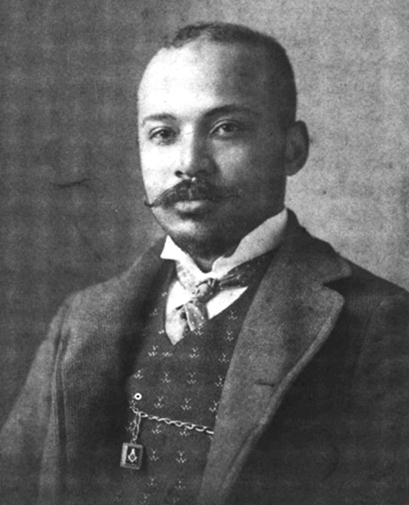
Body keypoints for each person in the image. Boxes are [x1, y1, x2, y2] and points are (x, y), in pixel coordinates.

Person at [1, 21, 409, 505]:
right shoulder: (82, 319)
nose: (189, 162)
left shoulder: (379, 323)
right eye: (163, 133)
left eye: (225, 128)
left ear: (292, 149)